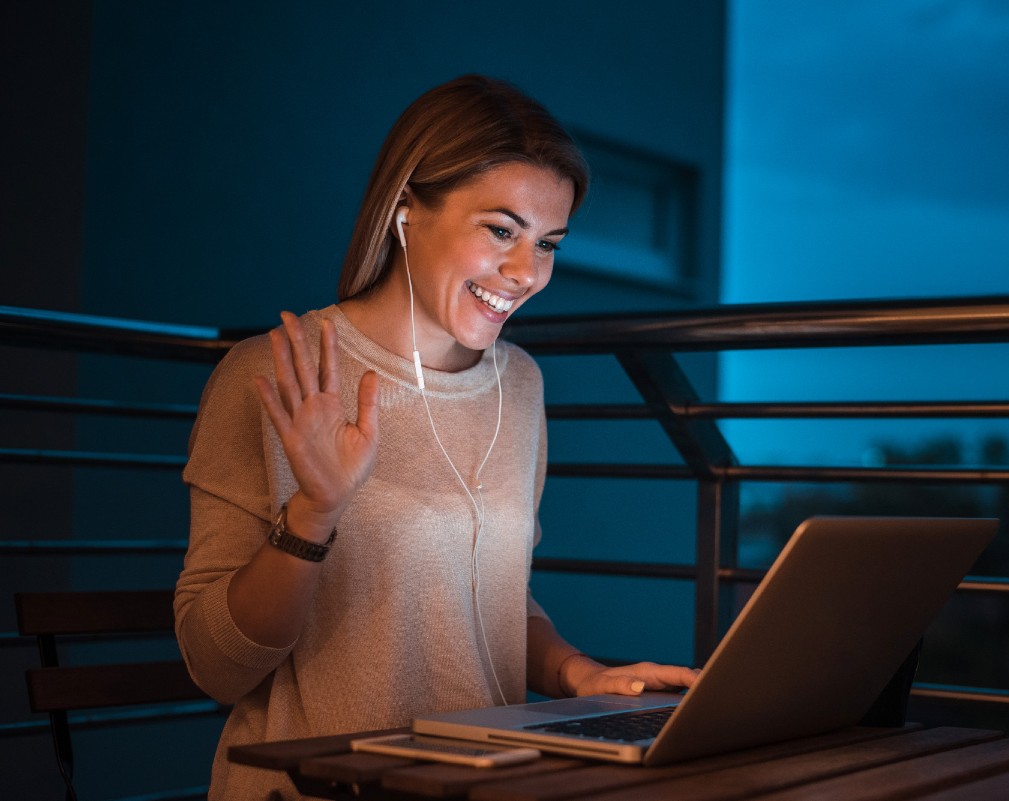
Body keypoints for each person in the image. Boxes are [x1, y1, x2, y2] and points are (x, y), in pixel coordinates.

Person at [174, 74, 699, 799]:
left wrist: (581, 673)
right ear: (405, 212)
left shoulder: (520, 384)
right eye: (501, 230)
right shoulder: (272, 372)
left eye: (548, 243)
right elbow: (215, 666)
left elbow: (489, 600)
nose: (526, 273)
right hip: (318, 785)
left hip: (480, 783)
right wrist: (313, 514)